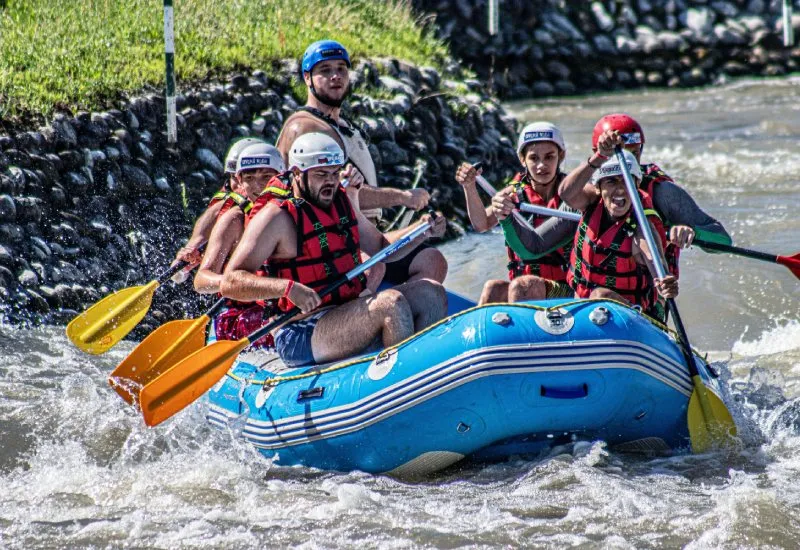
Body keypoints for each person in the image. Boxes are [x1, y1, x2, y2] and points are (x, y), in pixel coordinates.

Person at [220, 133, 447, 367]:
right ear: (297, 173)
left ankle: (427, 373)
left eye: (334, 173)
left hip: (345, 310)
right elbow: (231, 282)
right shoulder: (276, 217)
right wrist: (287, 289)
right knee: (390, 304)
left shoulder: (340, 202)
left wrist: (421, 230)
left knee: (432, 293)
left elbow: (381, 248)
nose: (330, 181)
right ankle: (404, 379)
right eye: (321, 174)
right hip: (300, 330)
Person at [276, 39, 447, 284]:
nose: (335, 76)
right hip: (335, 238)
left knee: (432, 260)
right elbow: (334, 190)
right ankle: (377, 314)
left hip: (367, 231)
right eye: (325, 70)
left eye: (341, 69)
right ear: (307, 78)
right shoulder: (306, 127)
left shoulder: (341, 124)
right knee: (374, 268)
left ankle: (412, 314)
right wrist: (403, 197)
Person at [559, 113, 731, 282]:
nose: (626, 162)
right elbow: (541, 244)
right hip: (590, 292)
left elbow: (724, 241)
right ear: (599, 152)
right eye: (618, 154)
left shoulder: (663, 193)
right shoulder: (586, 190)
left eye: (633, 154)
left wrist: (690, 232)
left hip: (647, 296)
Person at [455, 122, 575, 304]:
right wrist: (469, 187)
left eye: (549, 157)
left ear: (561, 156)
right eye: (534, 158)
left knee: (523, 286)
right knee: (492, 288)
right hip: (524, 286)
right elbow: (481, 224)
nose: (542, 165)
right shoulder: (514, 192)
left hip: (565, 289)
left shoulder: (572, 192)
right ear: (522, 160)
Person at [560, 149, 678, 316]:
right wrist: (598, 157)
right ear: (599, 187)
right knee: (523, 287)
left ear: (637, 186)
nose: (621, 189)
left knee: (600, 296)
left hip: (630, 316)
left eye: (627, 181)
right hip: (581, 304)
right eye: (611, 182)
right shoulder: (590, 202)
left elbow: (657, 266)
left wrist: (666, 283)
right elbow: (565, 193)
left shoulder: (642, 230)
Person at [171, 137, 265, 280]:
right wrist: (184, 263)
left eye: (251, 177)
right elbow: (179, 273)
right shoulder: (220, 209)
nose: (242, 186)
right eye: (235, 178)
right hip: (233, 289)